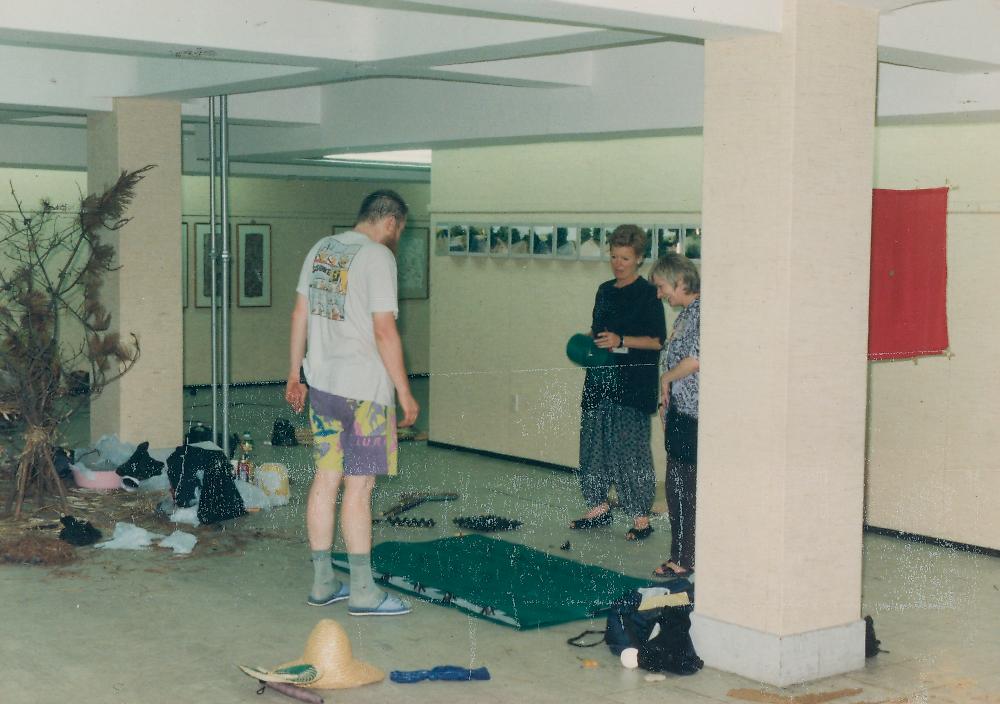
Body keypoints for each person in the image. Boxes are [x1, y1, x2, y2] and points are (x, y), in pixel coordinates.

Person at [285, 189, 419, 616]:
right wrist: (404, 390)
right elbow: (384, 331)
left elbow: (299, 315)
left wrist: (294, 374)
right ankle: (363, 592)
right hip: (364, 392)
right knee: (360, 488)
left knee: (326, 480)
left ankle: (324, 582)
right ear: (391, 222)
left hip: (323, 386)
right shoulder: (379, 257)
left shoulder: (321, 249)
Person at [570, 225, 666, 540]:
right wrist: (588, 340)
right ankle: (597, 507)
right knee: (594, 443)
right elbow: (599, 332)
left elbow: (656, 341)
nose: (618, 263)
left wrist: (621, 340)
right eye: (614, 256)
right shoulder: (605, 290)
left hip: (633, 383)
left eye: (625, 258)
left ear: (639, 259)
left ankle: (640, 518)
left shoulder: (648, 293)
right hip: (601, 380)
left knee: (631, 450)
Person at [649, 252, 701, 578]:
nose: (660, 294)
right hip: (680, 413)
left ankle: (683, 559)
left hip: (693, 416)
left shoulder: (699, 314)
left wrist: (665, 380)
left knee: (682, 488)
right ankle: (683, 553)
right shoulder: (685, 315)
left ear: (680, 281)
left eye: (662, 286)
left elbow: (696, 360)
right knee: (678, 487)